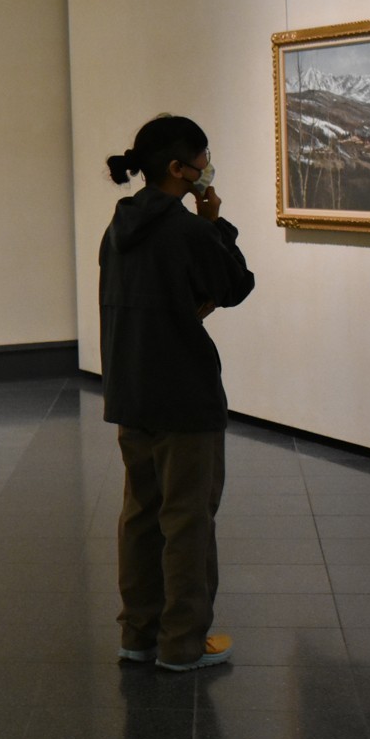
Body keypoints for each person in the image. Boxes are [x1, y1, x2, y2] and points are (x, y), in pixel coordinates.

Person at [100, 115, 255, 672]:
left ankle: (137, 634)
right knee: (187, 520)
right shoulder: (188, 230)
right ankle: (183, 643)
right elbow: (234, 285)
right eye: (201, 158)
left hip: (130, 390)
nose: (206, 167)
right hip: (185, 395)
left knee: (141, 515)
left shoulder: (119, 226)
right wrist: (216, 225)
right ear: (177, 168)